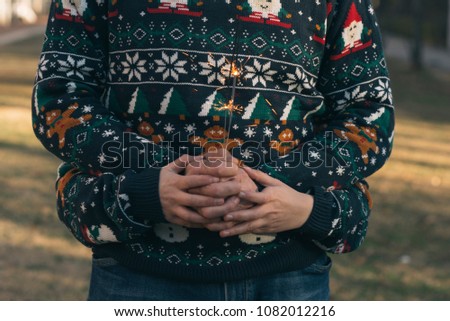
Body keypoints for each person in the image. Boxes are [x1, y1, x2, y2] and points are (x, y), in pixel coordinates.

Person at [32, 0, 394, 300]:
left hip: (288, 273)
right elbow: (60, 97)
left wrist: (269, 184)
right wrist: (162, 176)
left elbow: (368, 112)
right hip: (137, 268)